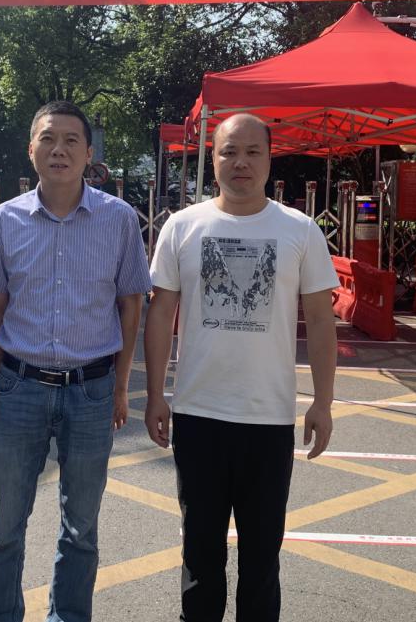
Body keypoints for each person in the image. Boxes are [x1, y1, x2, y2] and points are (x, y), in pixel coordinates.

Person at [143, 112, 338, 622]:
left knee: (261, 558)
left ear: (271, 159)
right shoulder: (183, 226)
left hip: (268, 420)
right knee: (200, 552)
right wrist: (156, 394)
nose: (241, 162)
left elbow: (321, 320)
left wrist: (322, 402)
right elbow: (161, 313)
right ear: (214, 160)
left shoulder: (299, 230)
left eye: (253, 152)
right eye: (229, 151)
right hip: (198, 415)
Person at [0, 100, 151, 622]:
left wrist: (121, 388)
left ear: (89, 154)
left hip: (91, 390)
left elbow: (131, 306)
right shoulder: (4, 220)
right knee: (5, 528)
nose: (59, 150)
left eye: (72, 140)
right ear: (31, 149)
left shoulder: (119, 220)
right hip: (19, 386)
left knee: (81, 529)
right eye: (48, 139)